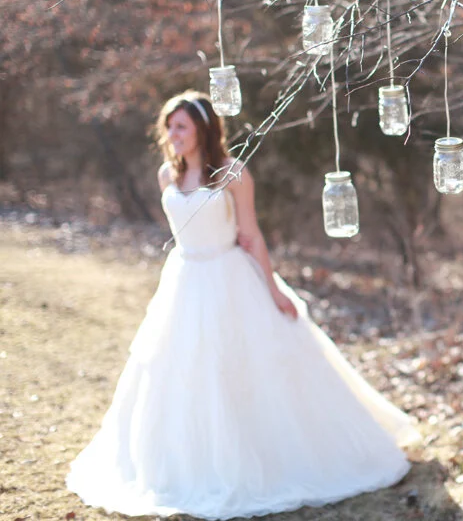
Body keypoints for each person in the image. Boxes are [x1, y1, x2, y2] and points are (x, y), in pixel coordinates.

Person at [66, 90, 419, 519]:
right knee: (177, 371)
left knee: (243, 366)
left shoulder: (233, 173)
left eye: (181, 126)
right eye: (169, 127)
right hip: (184, 279)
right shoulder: (166, 176)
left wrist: (272, 291)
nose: (172, 134)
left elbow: (250, 235)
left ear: (202, 129)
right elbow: (182, 229)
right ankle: (182, 465)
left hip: (230, 276)